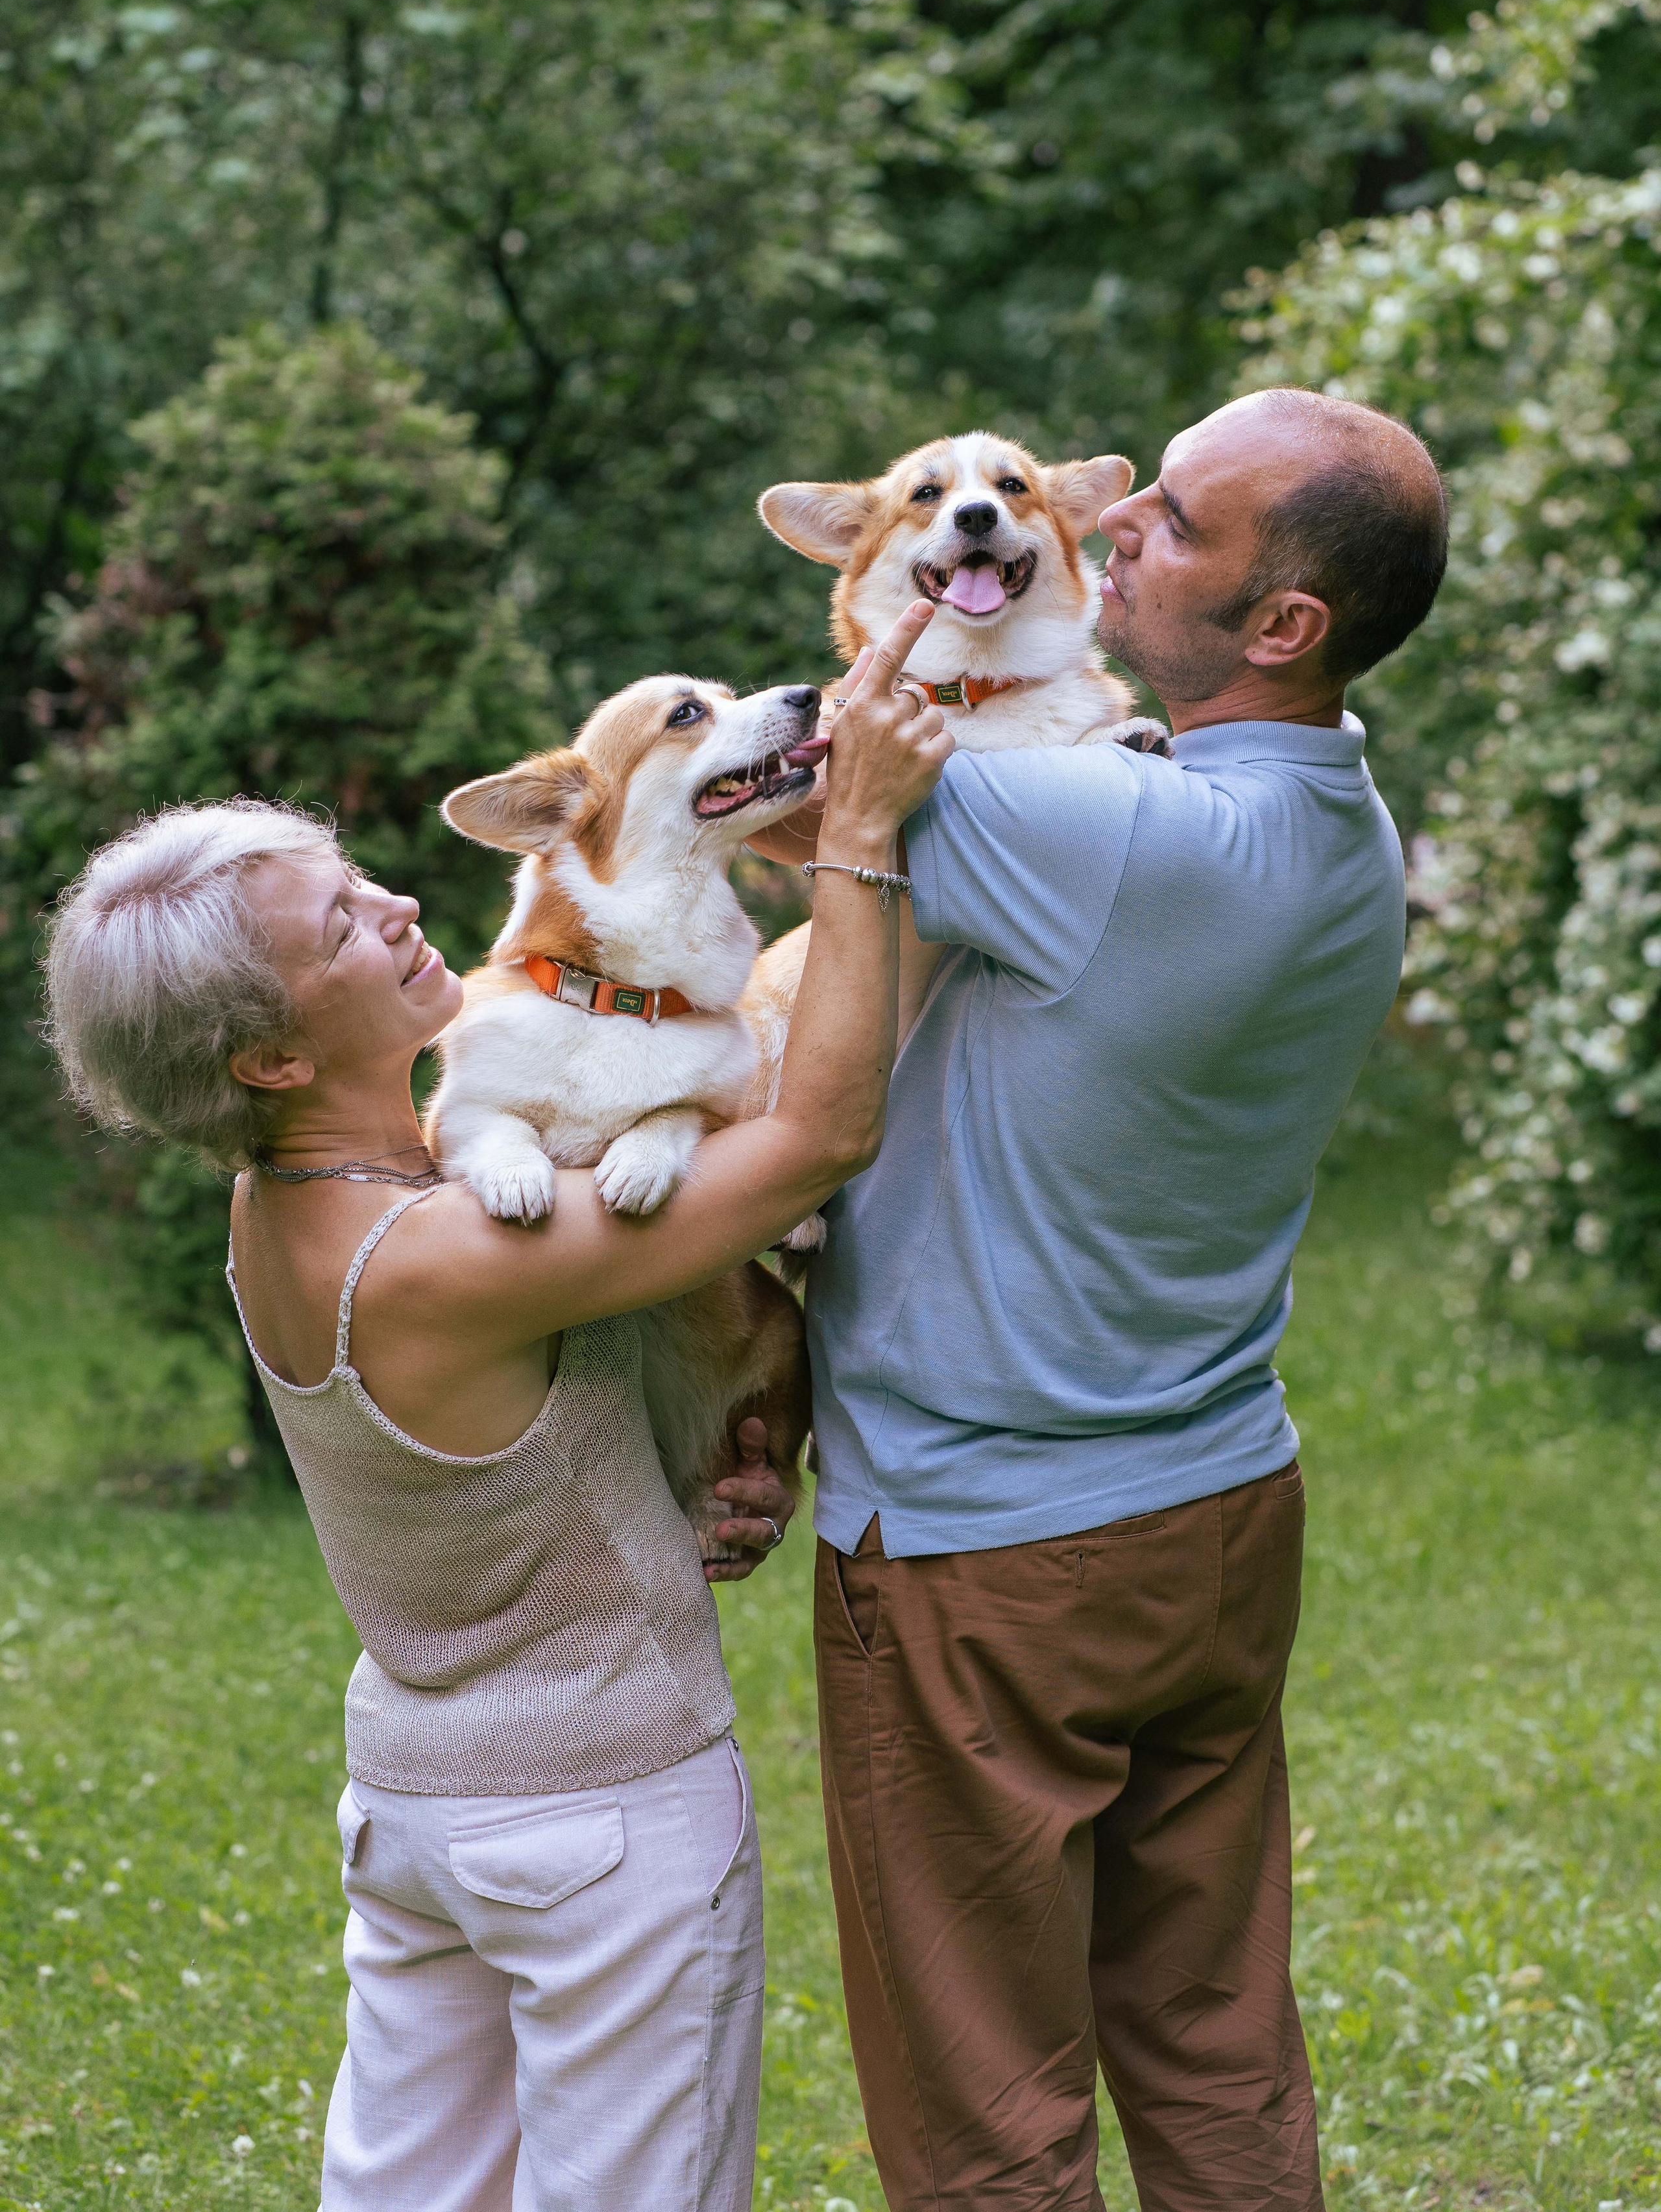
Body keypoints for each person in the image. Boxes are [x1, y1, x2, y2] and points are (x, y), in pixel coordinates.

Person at [42, 605, 952, 2212]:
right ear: (262, 1058)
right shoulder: (445, 1255)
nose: (399, 909)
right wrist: (859, 832)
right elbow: (811, 1137)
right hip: (596, 1824)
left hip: (415, 1805)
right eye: (340, 932)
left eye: (358, 883)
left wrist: (674, 1481)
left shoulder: (291, 1204)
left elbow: (530, 1434)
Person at [754, 388, 1448, 2211]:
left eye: (1177, 525)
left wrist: (874, 662)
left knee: (988, 2106)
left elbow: (767, 789)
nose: (1114, 522)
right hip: (1217, 1514)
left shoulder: (1096, 836)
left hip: (990, 1554)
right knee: (1219, 2053)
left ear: (1283, 623)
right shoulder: (1350, 839)